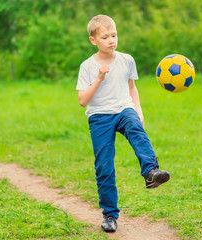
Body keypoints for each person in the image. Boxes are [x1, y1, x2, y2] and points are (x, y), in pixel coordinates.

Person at [76, 14, 170, 233]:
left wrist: (139, 111)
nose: (111, 40)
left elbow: (131, 88)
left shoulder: (127, 60)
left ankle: (151, 172)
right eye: (105, 37)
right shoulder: (87, 66)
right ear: (93, 40)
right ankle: (110, 215)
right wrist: (98, 79)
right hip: (99, 116)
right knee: (104, 166)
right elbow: (82, 101)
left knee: (136, 128)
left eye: (114, 35)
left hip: (123, 109)